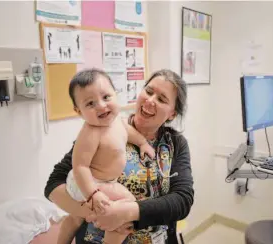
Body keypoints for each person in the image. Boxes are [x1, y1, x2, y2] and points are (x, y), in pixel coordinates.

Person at [44, 69, 194, 244]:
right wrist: (97, 214)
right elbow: (53, 185)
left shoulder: (175, 144)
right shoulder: (104, 127)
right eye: (149, 91)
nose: (150, 100)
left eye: (161, 99)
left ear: (172, 114)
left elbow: (182, 201)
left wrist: (127, 213)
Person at [58, 69, 155, 244]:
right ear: (78, 111)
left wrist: (142, 143)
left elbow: (129, 132)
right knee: (127, 205)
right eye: (90, 103)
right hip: (89, 183)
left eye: (106, 97)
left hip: (101, 183)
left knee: (74, 218)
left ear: (116, 95)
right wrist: (92, 194)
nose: (101, 106)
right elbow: (80, 166)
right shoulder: (91, 133)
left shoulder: (118, 122)